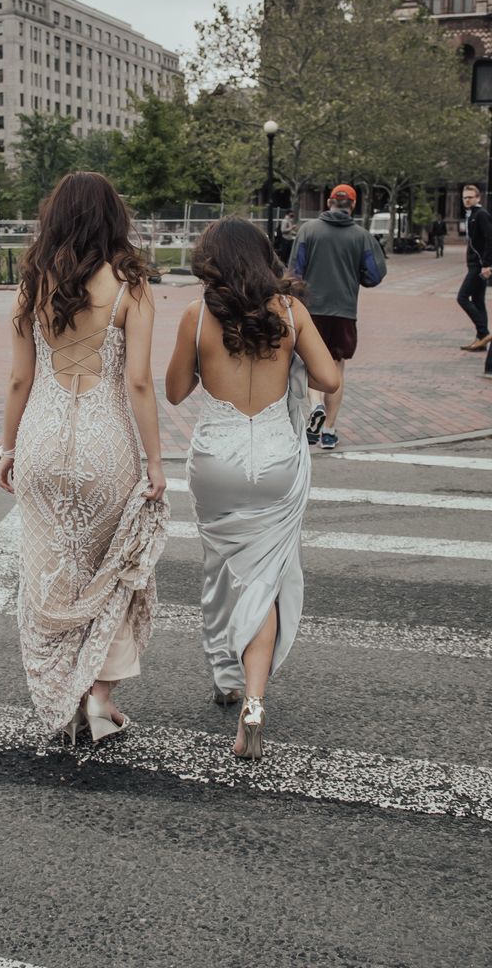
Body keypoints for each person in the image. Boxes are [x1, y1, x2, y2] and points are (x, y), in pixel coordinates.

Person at [0, 171, 168, 744]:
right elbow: (139, 383)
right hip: (107, 447)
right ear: (114, 218)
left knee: (53, 572)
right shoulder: (131, 288)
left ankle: (58, 693)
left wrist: (6, 448)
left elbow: (21, 377)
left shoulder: (33, 285)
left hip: (42, 440)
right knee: (114, 572)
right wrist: (156, 463)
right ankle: (98, 699)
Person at [166, 218, 339, 760]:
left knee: (224, 567)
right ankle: (253, 700)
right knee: (264, 580)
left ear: (210, 262)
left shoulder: (196, 317)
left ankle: (226, 674)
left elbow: (174, 391)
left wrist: (204, 360)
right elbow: (328, 380)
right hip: (276, 460)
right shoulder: (290, 313)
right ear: (265, 258)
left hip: (216, 459)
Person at [289, 184, 386, 449]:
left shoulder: (308, 231)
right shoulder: (362, 237)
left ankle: (315, 406)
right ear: (352, 205)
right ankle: (329, 431)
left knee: (311, 365)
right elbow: (375, 275)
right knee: (336, 368)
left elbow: (294, 271)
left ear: (329, 201)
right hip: (344, 311)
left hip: (311, 310)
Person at [457, 184, 492, 352]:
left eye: (470, 197)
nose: (467, 200)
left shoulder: (481, 215)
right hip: (474, 263)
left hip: (478, 266)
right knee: (478, 301)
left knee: (462, 297)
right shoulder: (471, 215)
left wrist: (486, 264)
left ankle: (484, 333)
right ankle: (481, 341)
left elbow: (490, 239)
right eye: (464, 197)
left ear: (478, 198)